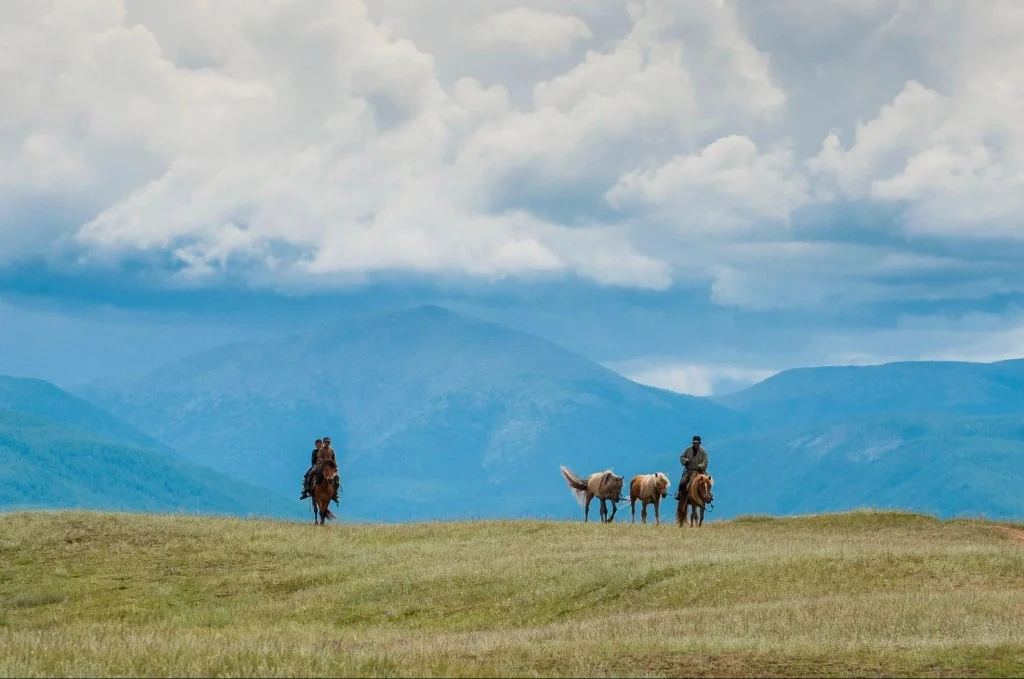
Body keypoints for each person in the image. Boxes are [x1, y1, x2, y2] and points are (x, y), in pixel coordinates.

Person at [674, 434, 709, 501]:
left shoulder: (703, 451)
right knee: (683, 481)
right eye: (694, 442)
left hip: (700, 471)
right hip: (689, 470)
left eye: (697, 443)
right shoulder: (688, 450)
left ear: (700, 443)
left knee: (707, 481)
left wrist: (700, 466)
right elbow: (682, 457)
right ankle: (679, 494)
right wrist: (685, 461)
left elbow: (705, 461)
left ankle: (708, 495)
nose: (695, 444)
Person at [320, 436, 340, 504]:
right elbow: (319, 457)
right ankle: (308, 488)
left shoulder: (332, 450)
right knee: (313, 473)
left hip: (330, 467)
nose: (327, 443)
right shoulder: (321, 450)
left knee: (337, 477)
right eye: (326, 442)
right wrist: (323, 462)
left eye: (328, 442)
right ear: (323, 442)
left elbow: (334, 458)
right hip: (322, 466)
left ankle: (335, 493)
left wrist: (335, 466)